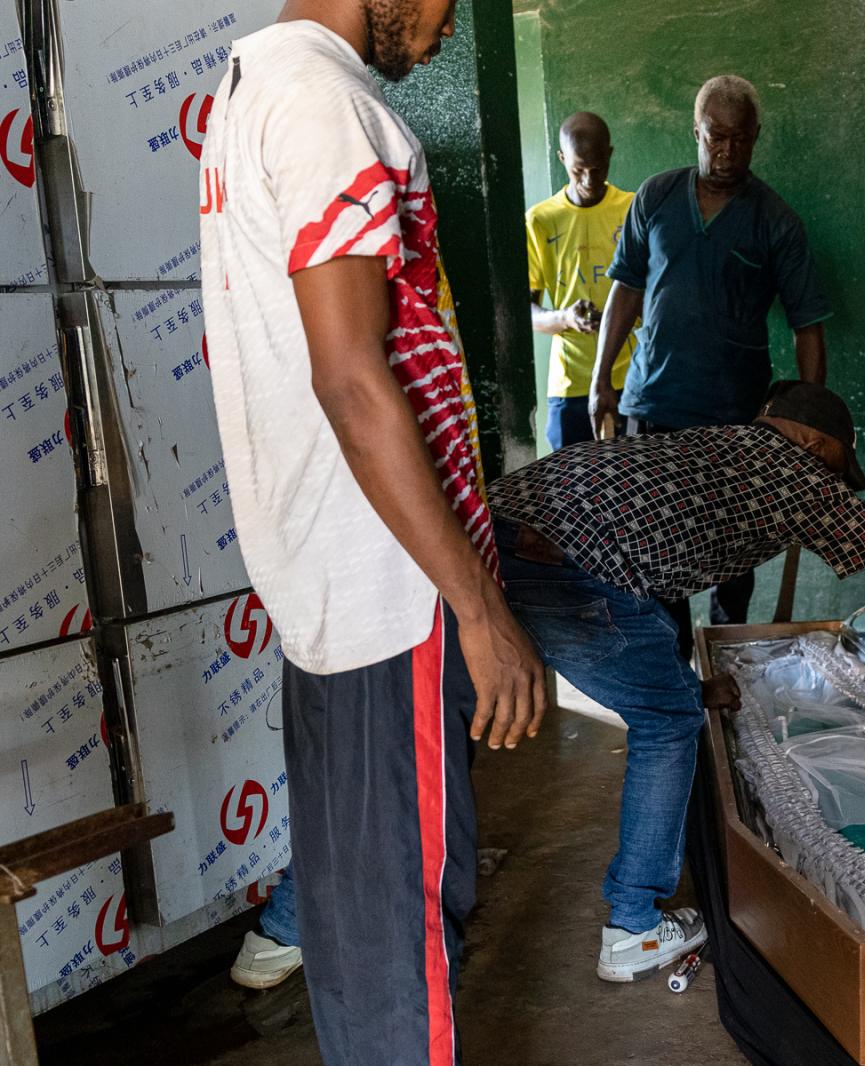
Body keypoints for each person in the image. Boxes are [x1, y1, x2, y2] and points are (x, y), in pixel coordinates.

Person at [199, 1, 545, 1061]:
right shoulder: (326, 106)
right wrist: (479, 610)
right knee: (405, 927)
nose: (444, 29)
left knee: (358, 922)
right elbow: (354, 381)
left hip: (328, 583)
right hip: (394, 587)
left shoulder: (250, 93)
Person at [486, 381, 865, 982]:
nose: (840, 487)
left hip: (481, 531)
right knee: (667, 726)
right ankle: (633, 929)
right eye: (841, 469)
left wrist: (692, 686)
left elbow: (641, 568)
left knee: (451, 714)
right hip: (556, 562)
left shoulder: (718, 448)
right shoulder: (800, 476)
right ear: (817, 445)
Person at [587, 74, 832, 642]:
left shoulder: (776, 221)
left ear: (756, 137)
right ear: (694, 132)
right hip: (654, 406)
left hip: (737, 419)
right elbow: (624, 290)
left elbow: (807, 327)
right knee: (657, 556)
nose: (726, 152)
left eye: (740, 139)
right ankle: (676, 680)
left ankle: (727, 667)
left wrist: (809, 417)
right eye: (715, 137)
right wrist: (603, 380)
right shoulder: (655, 196)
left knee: (732, 561)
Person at [526, 112, 636, 451]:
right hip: (570, 384)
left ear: (610, 155)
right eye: (578, 170)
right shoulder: (541, 220)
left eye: (598, 168)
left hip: (629, 378)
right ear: (562, 158)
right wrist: (565, 318)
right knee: (571, 491)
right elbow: (525, 313)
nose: (589, 179)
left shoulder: (632, 210)